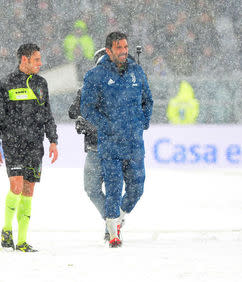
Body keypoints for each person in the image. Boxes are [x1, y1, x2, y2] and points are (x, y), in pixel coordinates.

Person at [81, 32, 153, 248]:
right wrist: (106, 126)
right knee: (113, 188)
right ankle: (113, 234)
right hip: (110, 143)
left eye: (125, 46)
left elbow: (147, 100)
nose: (124, 51)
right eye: (119, 47)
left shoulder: (137, 71)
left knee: (137, 188)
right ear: (109, 51)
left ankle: (118, 219)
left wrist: (143, 121)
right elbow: (86, 108)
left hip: (134, 142)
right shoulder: (95, 75)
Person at [0, 43, 58, 252]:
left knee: (28, 190)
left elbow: (48, 114)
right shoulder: (4, 84)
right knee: (16, 186)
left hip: (35, 146)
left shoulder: (41, 84)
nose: (40, 63)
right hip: (13, 144)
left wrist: (53, 140)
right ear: (24, 60)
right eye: (36, 59)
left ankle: (22, 241)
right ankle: (7, 229)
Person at [68, 48, 107, 239]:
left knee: (96, 188)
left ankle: (112, 222)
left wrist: (87, 122)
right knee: (96, 189)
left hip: (104, 147)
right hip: (98, 147)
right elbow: (73, 111)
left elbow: (73, 112)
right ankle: (113, 219)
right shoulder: (87, 88)